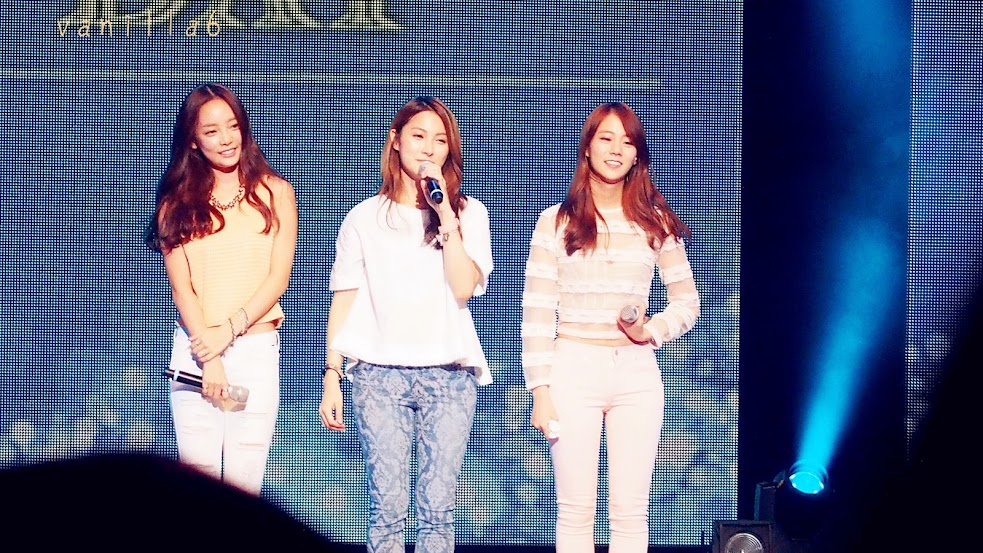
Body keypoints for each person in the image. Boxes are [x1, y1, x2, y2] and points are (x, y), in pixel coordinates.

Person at [521, 102, 700, 552]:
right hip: (573, 368)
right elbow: (538, 311)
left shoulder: (655, 220)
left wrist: (651, 330)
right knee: (575, 511)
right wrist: (540, 391)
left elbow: (687, 302)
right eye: (606, 138)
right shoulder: (556, 221)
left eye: (627, 142)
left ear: (637, 155)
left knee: (631, 513)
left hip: (635, 373)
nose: (617, 149)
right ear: (588, 148)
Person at [318, 96, 493, 553]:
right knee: (388, 507)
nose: (428, 148)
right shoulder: (364, 218)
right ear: (396, 141)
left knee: (438, 510)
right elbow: (345, 300)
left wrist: (446, 216)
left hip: (449, 376)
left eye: (440, 140)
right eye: (418, 136)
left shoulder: (468, 213)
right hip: (379, 377)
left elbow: (463, 286)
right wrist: (332, 375)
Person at [145, 83, 297, 496]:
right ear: (194, 141)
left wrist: (228, 332)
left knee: (245, 483)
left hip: (255, 349)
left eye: (232, 126)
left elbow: (278, 278)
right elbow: (183, 289)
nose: (226, 139)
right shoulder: (175, 203)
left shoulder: (276, 193)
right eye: (211, 131)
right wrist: (209, 358)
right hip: (196, 351)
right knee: (197, 484)